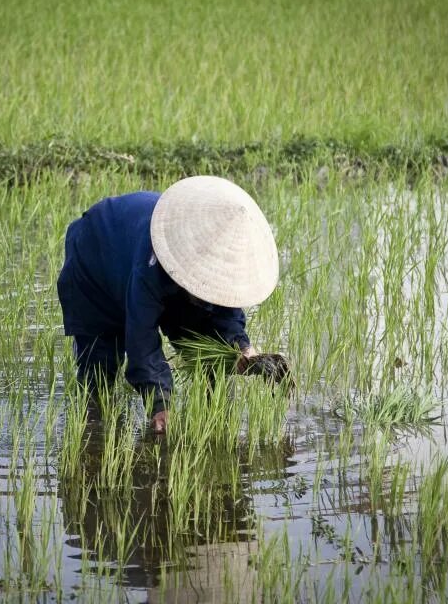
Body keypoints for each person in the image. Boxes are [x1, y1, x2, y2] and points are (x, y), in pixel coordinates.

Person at [57, 175, 287, 433]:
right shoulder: (154, 266)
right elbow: (141, 341)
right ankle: (93, 437)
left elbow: (226, 310)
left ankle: (212, 427)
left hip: (136, 252)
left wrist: (243, 347)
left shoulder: (218, 255)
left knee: (208, 354)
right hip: (96, 258)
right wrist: (160, 403)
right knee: (99, 372)